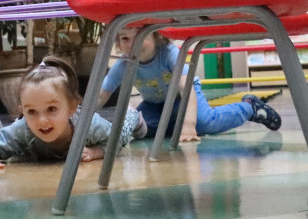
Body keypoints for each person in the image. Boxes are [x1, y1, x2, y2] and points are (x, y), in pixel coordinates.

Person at [97, 27, 281, 143]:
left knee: (205, 122)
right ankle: (173, 123)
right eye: (125, 39)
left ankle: (249, 107)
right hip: (154, 104)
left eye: (140, 35)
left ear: (155, 35)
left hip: (183, 97)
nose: (132, 44)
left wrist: (190, 124)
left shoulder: (168, 53)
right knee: (142, 130)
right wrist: (80, 119)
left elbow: (187, 90)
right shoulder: (123, 64)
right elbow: (100, 96)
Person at [0, 56, 144, 171]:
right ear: (22, 111)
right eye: (32, 111)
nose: (42, 120)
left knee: (121, 132)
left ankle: (133, 116)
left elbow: (114, 142)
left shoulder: (88, 124)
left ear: (72, 107)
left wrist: (96, 151)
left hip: (107, 132)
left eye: (51, 109)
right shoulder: (23, 129)